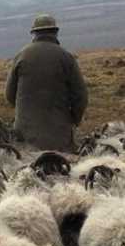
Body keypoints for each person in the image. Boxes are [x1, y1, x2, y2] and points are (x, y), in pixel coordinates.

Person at [5, 14, 88, 153]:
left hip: (24, 135)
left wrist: (24, 113)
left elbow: (9, 95)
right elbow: (81, 97)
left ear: (34, 33)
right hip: (59, 136)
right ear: (55, 32)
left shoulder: (21, 56)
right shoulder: (66, 57)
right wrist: (73, 120)